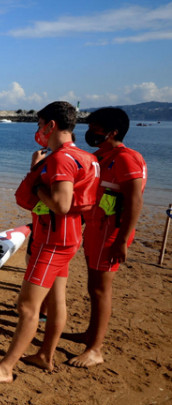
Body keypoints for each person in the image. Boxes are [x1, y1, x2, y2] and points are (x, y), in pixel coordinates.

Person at [0, 101, 99, 384]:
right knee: (56, 299)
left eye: (40, 124)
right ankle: (45, 355)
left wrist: (37, 184)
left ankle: (5, 368)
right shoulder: (86, 157)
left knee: (27, 307)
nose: (38, 130)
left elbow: (62, 204)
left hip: (52, 240)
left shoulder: (61, 159)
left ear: (51, 125)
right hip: (69, 237)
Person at [68, 108, 147, 368]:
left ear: (112, 132)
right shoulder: (102, 155)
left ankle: (95, 349)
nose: (90, 132)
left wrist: (122, 239)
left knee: (101, 289)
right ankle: (91, 334)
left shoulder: (127, 158)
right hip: (95, 229)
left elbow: (134, 201)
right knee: (93, 286)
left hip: (110, 233)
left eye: (96, 128)